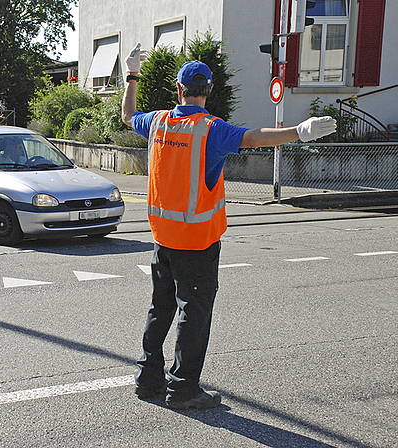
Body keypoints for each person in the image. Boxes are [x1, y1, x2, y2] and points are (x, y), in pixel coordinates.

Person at [121, 44, 336, 410]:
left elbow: (127, 115)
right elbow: (254, 137)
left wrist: (132, 75)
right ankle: (183, 389)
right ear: (209, 91)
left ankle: (148, 379)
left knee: (161, 307)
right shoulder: (210, 130)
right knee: (195, 313)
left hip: (161, 239)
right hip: (198, 242)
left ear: (178, 90)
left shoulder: (158, 121)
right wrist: (298, 132)